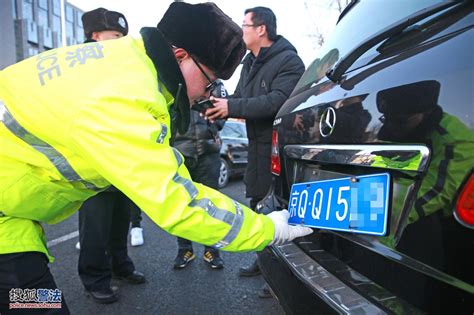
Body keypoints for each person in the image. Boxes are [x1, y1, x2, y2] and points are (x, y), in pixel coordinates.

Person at [0, 2, 312, 313]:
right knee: (40, 305)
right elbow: (178, 202)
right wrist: (269, 230)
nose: (207, 93)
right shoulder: (128, 96)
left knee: (31, 301)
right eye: (209, 81)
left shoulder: (121, 64)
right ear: (180, 57)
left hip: (13, 217)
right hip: (7, 219)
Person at [205, 6, 305, 296]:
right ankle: (264, 261)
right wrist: (216, 105)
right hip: (256, 148)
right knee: (257, 204)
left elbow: (277, 101)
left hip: (280, 150)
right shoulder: (250, 62)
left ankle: (282, 272)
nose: (241, 30)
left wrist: (232, 107)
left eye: (244, 24)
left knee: (280, 208)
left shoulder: (289, 61)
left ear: (261, 29)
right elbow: (241, 97)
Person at [74, 8, 146, 305]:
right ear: (95, 35)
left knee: (120, 218)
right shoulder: (79, 65)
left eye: (122, 37)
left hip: (120, 154)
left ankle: (121, 266)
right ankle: (94, 278)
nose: (120, 41)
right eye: (115, 36)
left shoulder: (117, 64)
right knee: (96, 223)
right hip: (94, 157)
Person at [173, 110, 225, 270]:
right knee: (181, 204)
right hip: (180, 151)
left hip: (208, 152)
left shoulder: (213, 85)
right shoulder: (169, 84)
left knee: (211, 205)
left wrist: (213, 127)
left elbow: (223, 107)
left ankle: (211, 250)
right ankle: (184, 249)